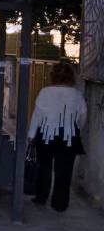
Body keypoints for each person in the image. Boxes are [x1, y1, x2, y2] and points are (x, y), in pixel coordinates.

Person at [27, 61, 87, 212]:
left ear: (53, 76)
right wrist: (76, 129)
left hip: (46, 135)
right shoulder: (77, 95)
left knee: (44, 168)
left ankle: (41, 197)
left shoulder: (45, 92)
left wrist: (31, 135)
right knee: (64, 172)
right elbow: (82, 116)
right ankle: (59, 204)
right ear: (71, 77)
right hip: (68, 136)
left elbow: (37, 115)